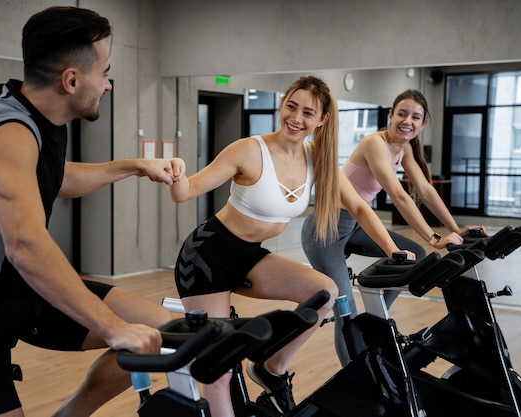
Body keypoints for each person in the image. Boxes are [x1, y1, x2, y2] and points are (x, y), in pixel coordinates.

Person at [0, 6, 184, 417]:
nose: (108, 85)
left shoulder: (38, 121)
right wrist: (114, 329)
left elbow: (53, 177)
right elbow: (24, 244)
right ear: (71, 79)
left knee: (165, 329)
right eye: (105, 72)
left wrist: (133, 165)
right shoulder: (4, 136)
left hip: (23, 290)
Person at [167, 75, 412, 416]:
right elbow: (186, 191)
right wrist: (176, 172)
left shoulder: (318, 159)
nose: (296, 118)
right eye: (291, 107)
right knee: (218, 371)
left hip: (249, 257)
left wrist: (391, 250)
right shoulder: (249, 150)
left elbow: (358, 206)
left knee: (325, 293)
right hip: (206, 257)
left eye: (308, 113)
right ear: (282, 106)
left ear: (322, 119)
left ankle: (271, 368)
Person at [301, 88, 486, 367]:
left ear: (423, 124)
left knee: (414, 255)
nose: (407, 121)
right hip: (324, 229)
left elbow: (424, 190)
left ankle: (376, 319)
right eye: (401, 113)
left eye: (415, 117)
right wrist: (434, 237)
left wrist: (455, 229)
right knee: (345, 309)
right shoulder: (375, 143)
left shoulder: (405, 148)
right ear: (390, 115)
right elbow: (399, 195)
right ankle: (358, 375)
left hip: (355, 225)